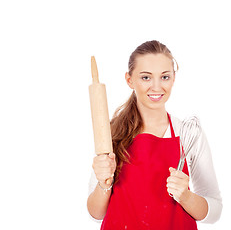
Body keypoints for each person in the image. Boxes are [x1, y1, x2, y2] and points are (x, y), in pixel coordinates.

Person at [87, 40, 222, 229]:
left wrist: (186, 196)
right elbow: (95, 214)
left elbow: (214, 211)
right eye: (146, 77)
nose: (157, 87)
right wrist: (104, 183)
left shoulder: (188, 133)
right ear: (129, 80)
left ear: (173, 79)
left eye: (164, 77)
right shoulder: (112, 133)